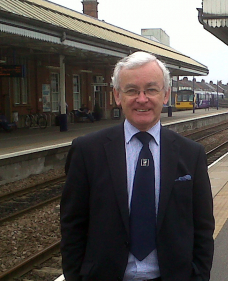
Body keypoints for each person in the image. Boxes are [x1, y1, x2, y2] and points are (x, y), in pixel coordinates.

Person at [60, 51, 215, 281]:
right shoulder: (86, 151)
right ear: (117, 95)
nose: (142, 99)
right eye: (131, 90)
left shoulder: (191, 154)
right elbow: (72, 226)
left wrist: (198, 276)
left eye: (151, 90)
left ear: (165, 95)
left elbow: (203, 227)